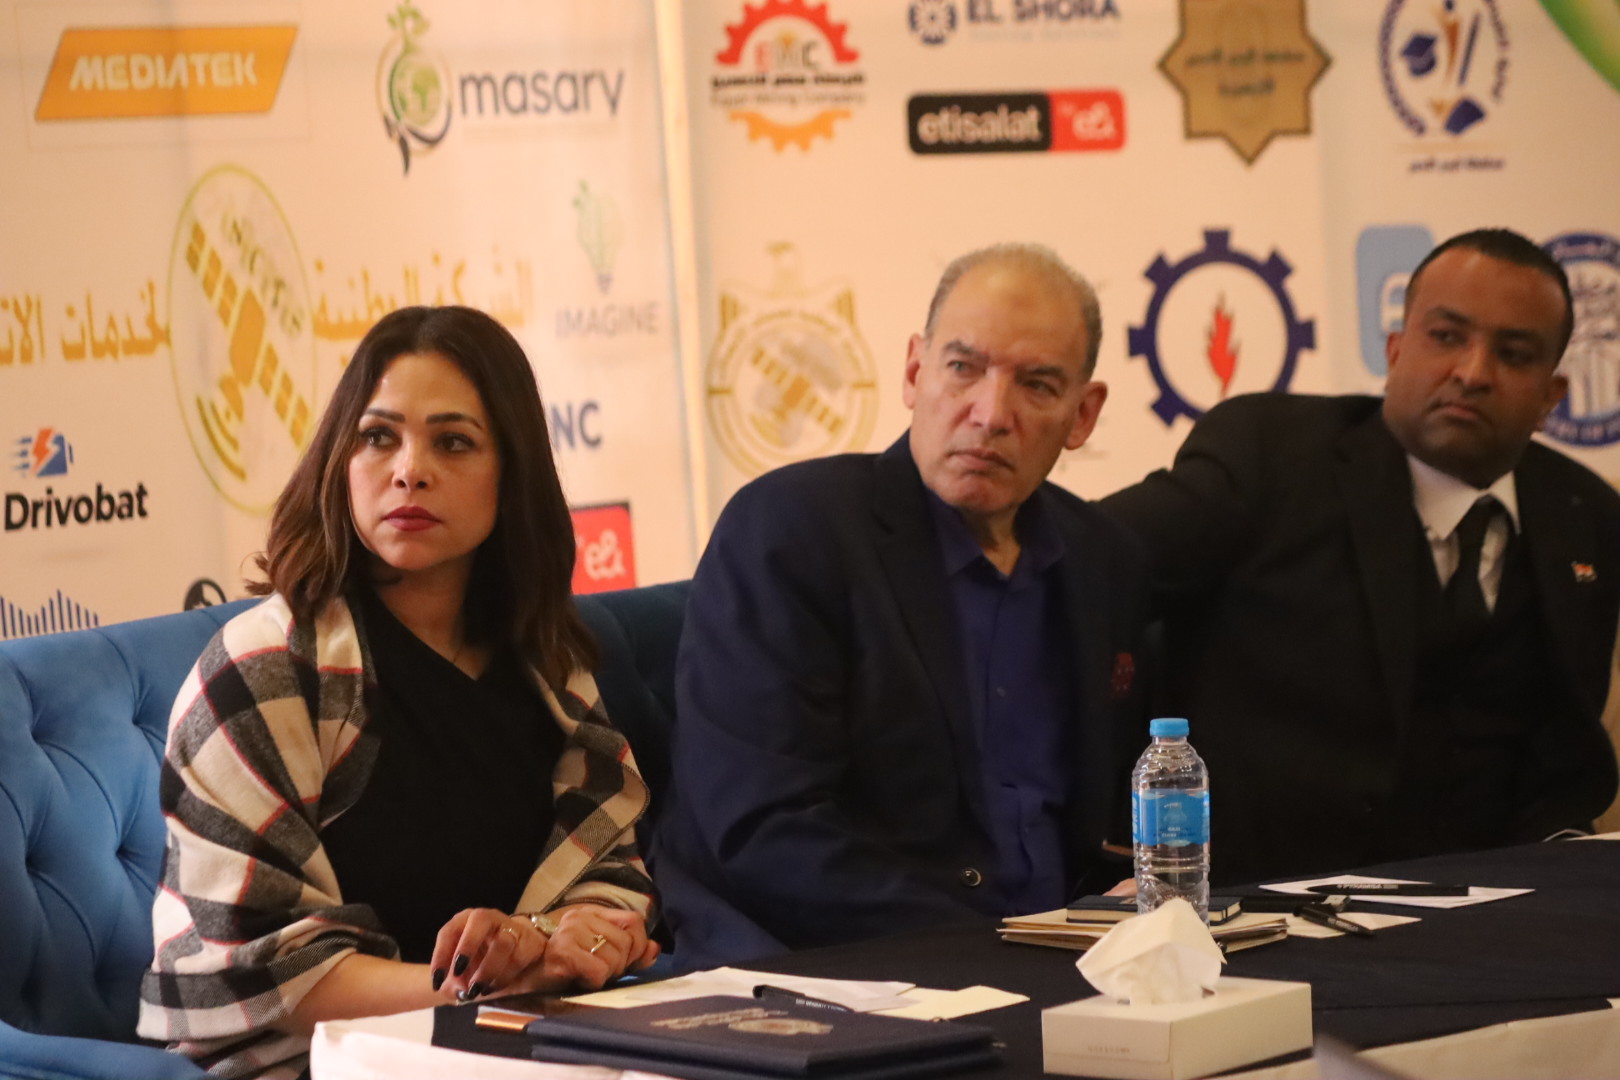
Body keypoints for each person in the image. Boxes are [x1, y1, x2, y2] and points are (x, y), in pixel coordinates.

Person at [138, 306, 658, 1078]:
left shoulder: (548, 666)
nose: (409, 470)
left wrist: (579, 936)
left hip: (527, 1048)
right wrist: (493, 988)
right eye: (379, 437)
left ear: (511, 473)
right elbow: (248, 969)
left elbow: (608, 875)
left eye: (453, 442)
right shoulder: (265, 668)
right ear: (340, 460)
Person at [654, 244, 1149, 969]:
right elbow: (761, 833)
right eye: (964, 367)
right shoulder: (791, 532)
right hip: (828, 967)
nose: (991, 413)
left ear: (1084, 414)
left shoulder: (1103, 559)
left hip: (1063, 961)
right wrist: (1005, 945)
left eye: (1037, 384)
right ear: (915, 372)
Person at [1100, 228, 1620, 885]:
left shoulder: (1585, 515)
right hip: (1268, 903)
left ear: (1551, 396)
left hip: (1505, 904)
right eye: (1447, 336)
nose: (1473, 372)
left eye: (1513, 354)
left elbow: (1565, 756)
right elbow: (1085, 562)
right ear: (1396, 349)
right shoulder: (1269, 457)